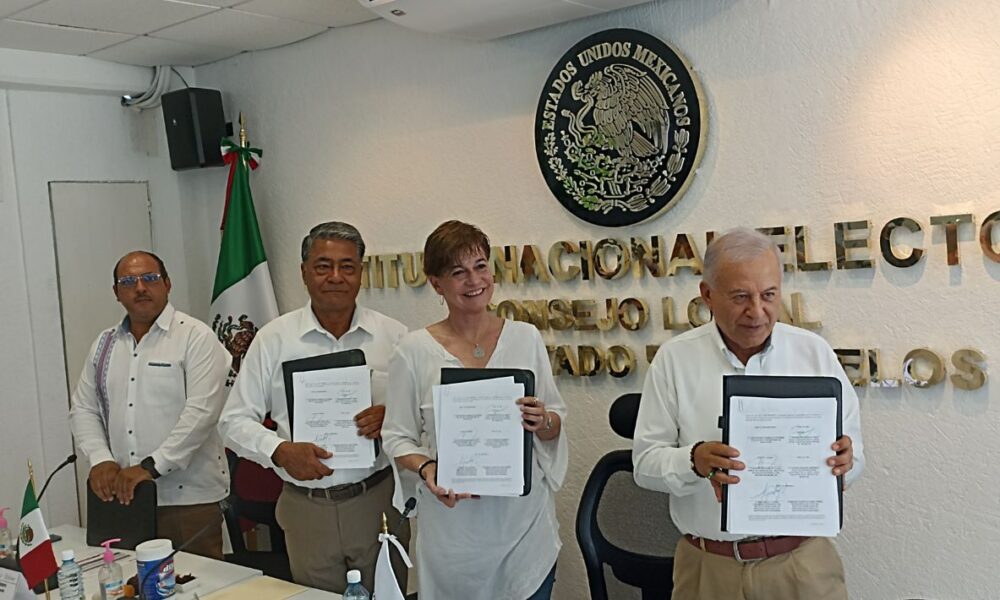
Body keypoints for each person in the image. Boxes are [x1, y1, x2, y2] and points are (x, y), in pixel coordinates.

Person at [632, 227, 865, 599]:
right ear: (707, 294)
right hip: (708, 569)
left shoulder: (813, 355)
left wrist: (845, 462)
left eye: (769, 295)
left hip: (801, 566)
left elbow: (856, 460)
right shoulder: (675, 360)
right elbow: (644, 464)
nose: (757, 311)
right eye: (740, 296)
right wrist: (694, 460)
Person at [218, 222, 409, 594]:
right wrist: (280, 450)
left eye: (347, 266)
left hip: (378, 500)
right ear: (304, 272)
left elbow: (423, 413)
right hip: (307, 509)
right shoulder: (274, 339)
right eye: (323, 266)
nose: (335, 276)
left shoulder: (395, 336)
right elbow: (233, 421)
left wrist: (393, 416)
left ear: (360, 273)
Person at [381, 220, 568, 600]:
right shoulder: (414, 351)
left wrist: (543, 420)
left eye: (480, 266)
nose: (473, 280)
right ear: (436, 284)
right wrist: (428, 467)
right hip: (453, 535)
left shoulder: (526, 338)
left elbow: (555, 422)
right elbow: (395, 436)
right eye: (458, 272)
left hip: (522, 529)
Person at [70, 251, 230, 559]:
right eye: (128, 281)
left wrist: (150, 468)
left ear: (167, 284)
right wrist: (101, 459)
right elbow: (84, 408)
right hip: (124, 499)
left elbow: (201, 414)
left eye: (150, 278)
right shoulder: (104, 344)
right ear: (117, 293)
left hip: (187, 502)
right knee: (128, 584)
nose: (140, 287)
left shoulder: (195, 337)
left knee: (198, 587)